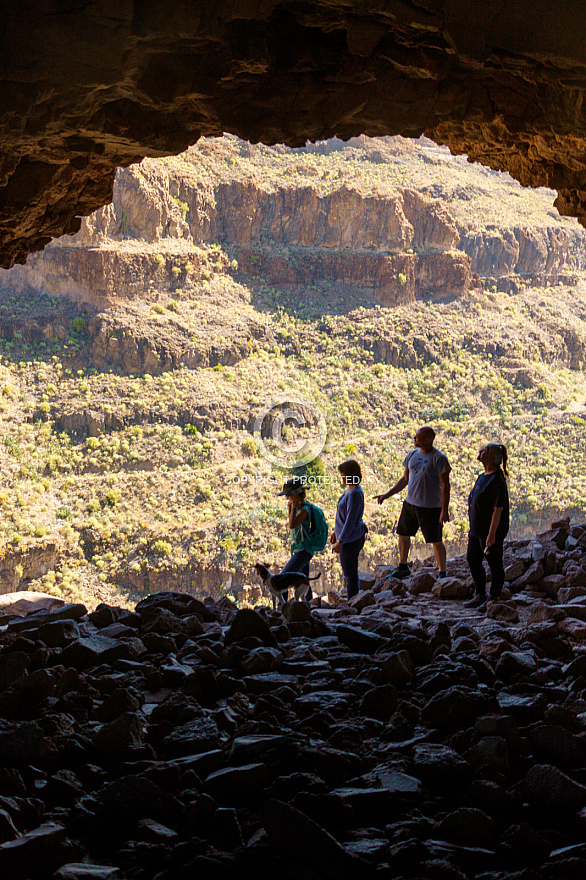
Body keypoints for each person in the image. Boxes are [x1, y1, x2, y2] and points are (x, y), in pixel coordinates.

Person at [376, 425, 451, 579]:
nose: (414, 440)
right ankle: (403, 567)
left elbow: (445, 486)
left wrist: (444, 510)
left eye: (417, 437)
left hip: (430, 507)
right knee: (403, 534)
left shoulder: (439, 458)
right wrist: (387, 494)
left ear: (427, 439)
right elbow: (405, 479)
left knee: (435, 539)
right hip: (410, 503)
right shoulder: (412, 454)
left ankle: (442, 572)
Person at [464, 443, 510, 611]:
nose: (480, 452)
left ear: (491, 457)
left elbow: (498, 510)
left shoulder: (497, 480)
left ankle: (494, 598)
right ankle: (480, 594)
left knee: (494, 562)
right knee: (473, 559)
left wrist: (492, 534)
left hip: (489, 532)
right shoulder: (483, 476)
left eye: (483, 450)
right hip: (476, 530)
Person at [330, 459, 367, 600]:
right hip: (348, 537)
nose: (342, 477)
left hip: (350, 539)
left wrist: (341, 540)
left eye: (343, 474)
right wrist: (336, 532)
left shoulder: (354, 494)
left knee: (350, 574)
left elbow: (351, 520)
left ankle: (353, 603)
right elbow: (344, 516)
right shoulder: (350, 490)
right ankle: (354, 600)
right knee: (350, 572)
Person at [277, 477, 315, 602]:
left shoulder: (304, 510)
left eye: (288, 495)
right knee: (304, 578)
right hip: (303, 548)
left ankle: (282, 607)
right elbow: (292, 523)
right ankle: (309, 604)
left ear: (294, 495)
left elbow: (293, 524)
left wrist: (293, 508)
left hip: (303, 550)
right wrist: (291, 508)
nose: (287, 498)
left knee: (283, 578)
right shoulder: (301, 508)